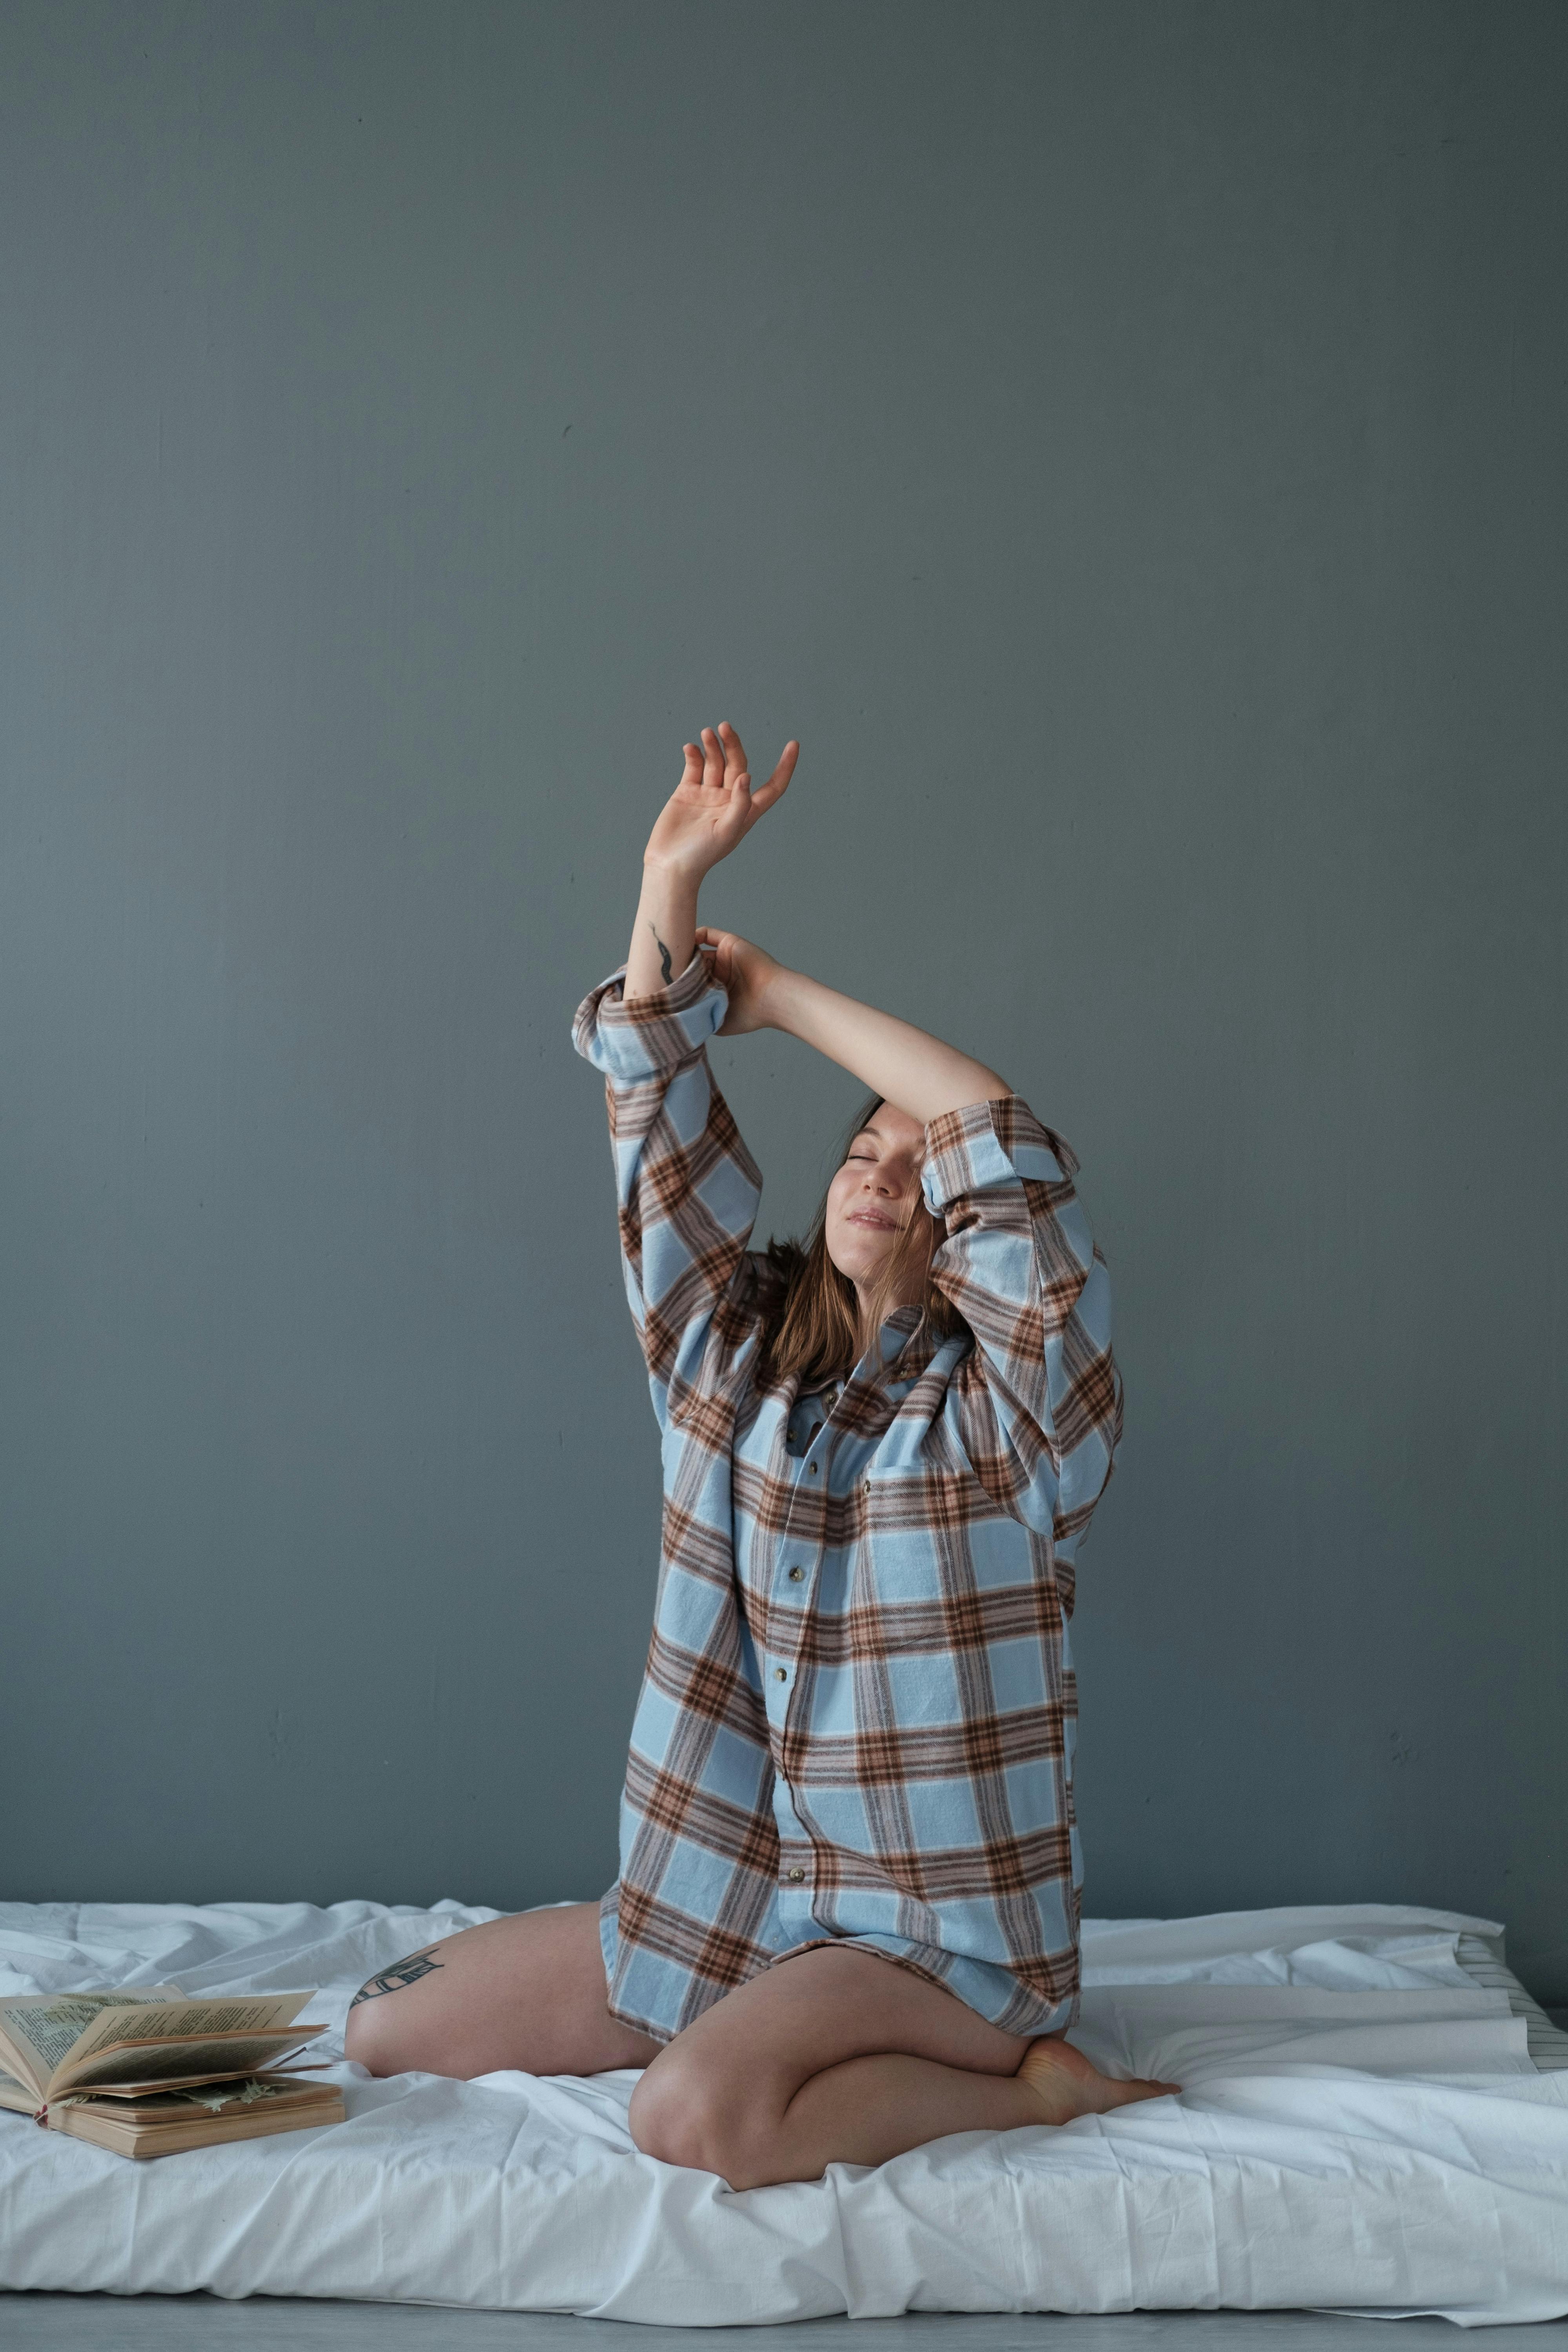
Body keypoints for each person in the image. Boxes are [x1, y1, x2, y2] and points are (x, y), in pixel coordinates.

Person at [346, 722, 1175, 2186]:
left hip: (936, 1933)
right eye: (863, 1152)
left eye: (916, 1171)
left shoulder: (1015, 1420)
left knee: (692, 2118)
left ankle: (1036, 2091)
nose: (883, 1169)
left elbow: (1003, 1145)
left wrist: (778, 995)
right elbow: (654, 1119)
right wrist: (667, 883)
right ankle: (765, 2016)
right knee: (378, 2031)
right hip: (735, 1898)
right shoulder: (730, 1361)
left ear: (957, 1229)